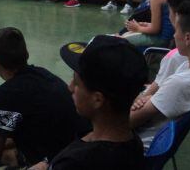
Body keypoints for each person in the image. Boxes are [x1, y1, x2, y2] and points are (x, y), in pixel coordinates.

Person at [0, 27, 90, 169]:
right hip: (70, 149)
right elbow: (6, 138)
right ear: (26, 54)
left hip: (55, 162)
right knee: (6, 152)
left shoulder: (6, 94)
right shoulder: (43, 75)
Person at [44, 35, 147, 169]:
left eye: (76, 82)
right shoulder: (133, 143)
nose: (70, 88)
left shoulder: (74, 163)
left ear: (97, 99)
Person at [130, 0, 190, 150]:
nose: (174, 35)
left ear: (188, 38)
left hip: (136, 145)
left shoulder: (181, 83)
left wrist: (138, 99)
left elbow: (128, 122)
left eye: (176, 30)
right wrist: (148, 97)